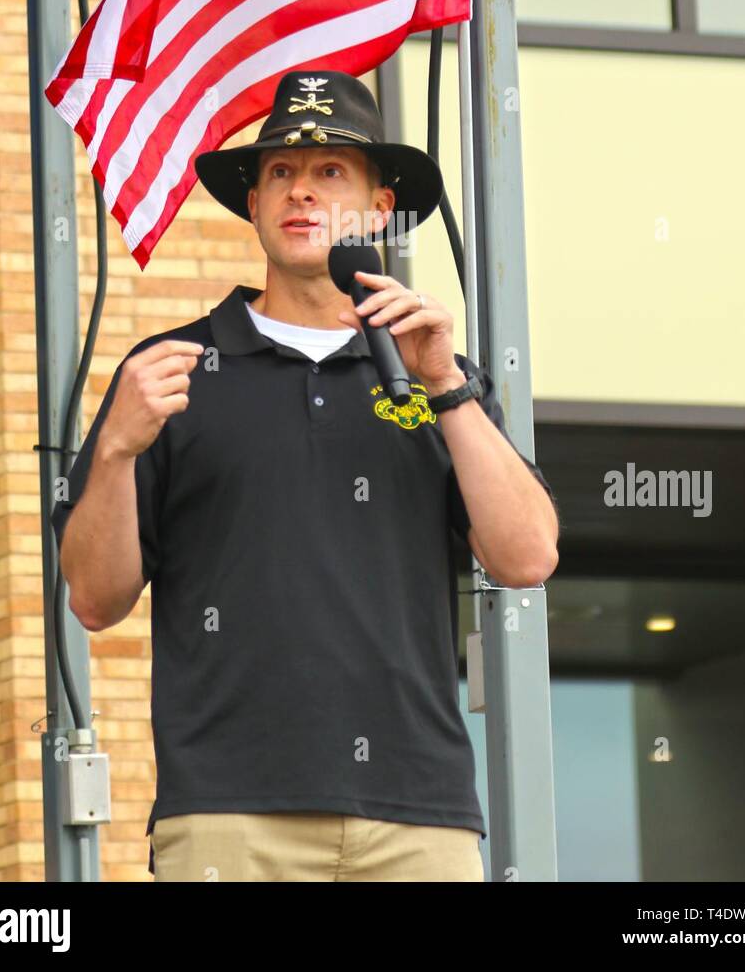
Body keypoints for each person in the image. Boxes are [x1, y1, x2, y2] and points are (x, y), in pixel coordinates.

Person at [53, 68, 560, 882]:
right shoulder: (170, 375)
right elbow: (93, 599)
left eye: (331, 172)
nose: (301, 192)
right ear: (251, 204)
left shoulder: (437, 375)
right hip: (226, 819)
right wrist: (113, 450)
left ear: (378, 207)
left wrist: (446, 387)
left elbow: (527, 556)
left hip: (418, 819)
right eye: (280, 173)